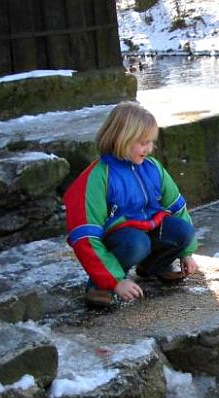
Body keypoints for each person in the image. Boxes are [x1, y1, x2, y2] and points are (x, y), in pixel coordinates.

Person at [63, 101, 199, 306]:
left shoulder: (153, 167)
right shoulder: (97, 177)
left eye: (151, 142)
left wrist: (187, 253)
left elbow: (177, 207)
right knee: (137, 244)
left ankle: (155, 267)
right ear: (120, 138)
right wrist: (116, 281)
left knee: (183, 231)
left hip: (145, 230)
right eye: (143, 142)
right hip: (119, 240)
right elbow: (85, 237)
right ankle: (101, 285)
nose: (149, 149)